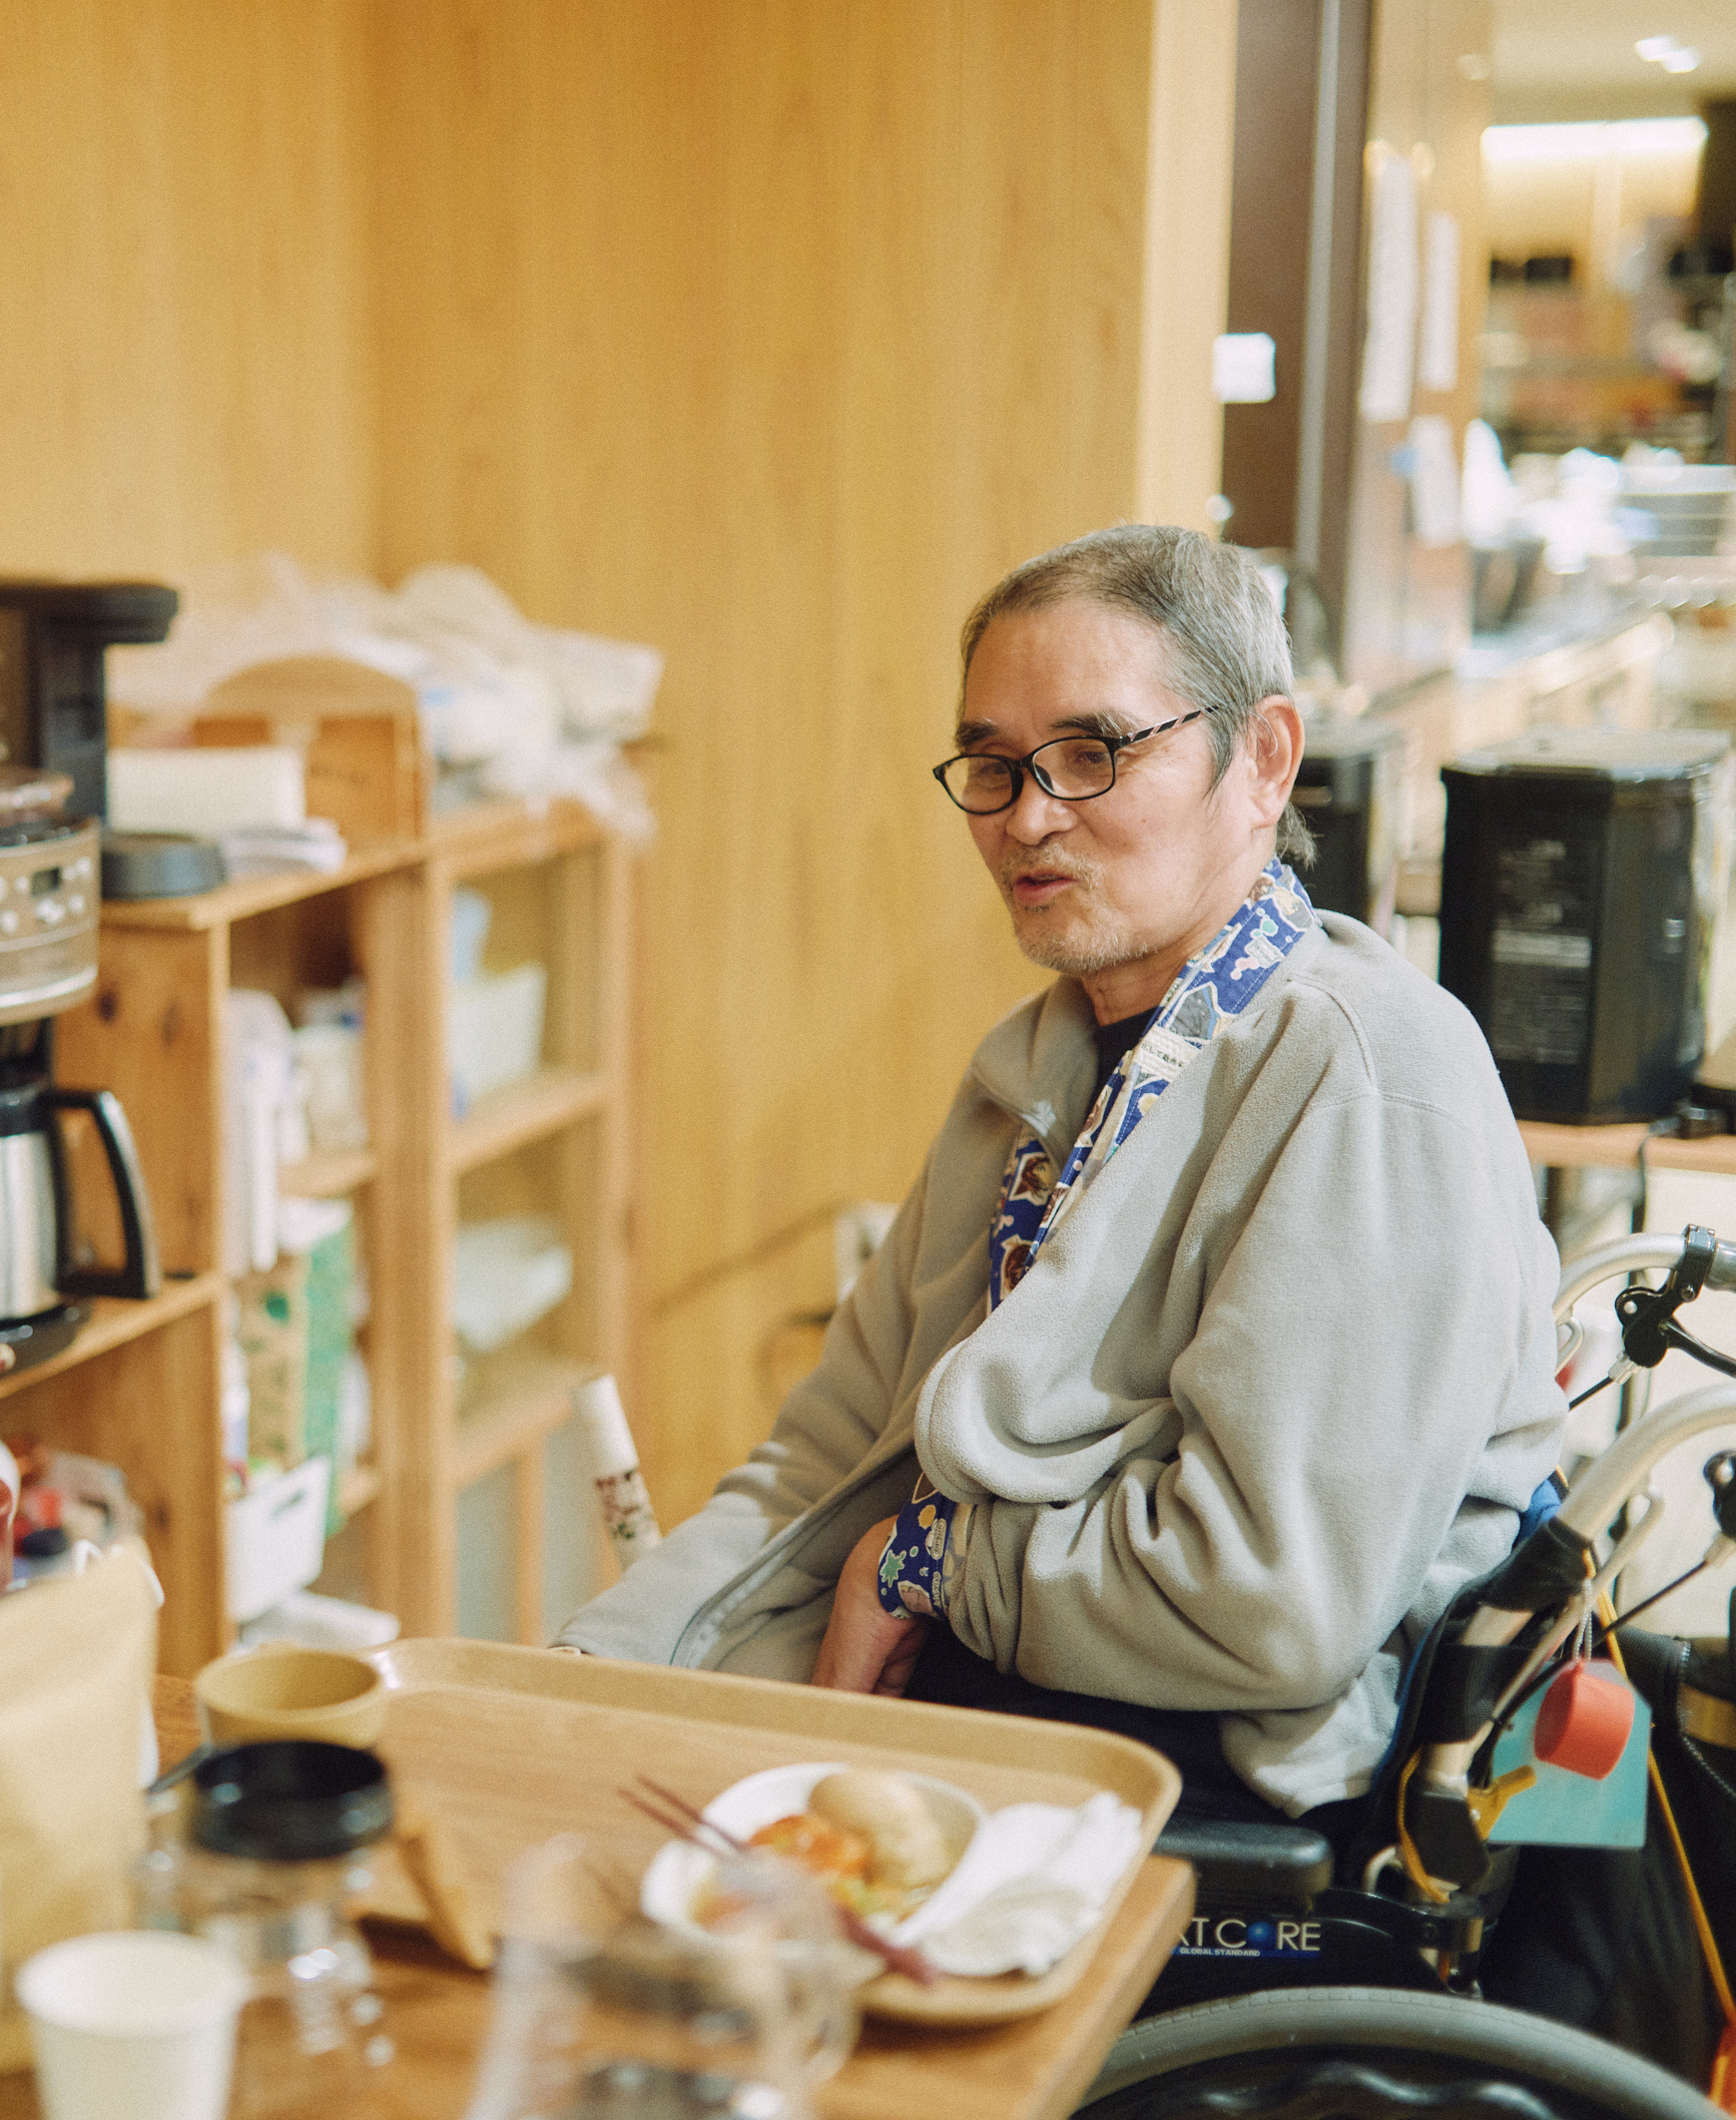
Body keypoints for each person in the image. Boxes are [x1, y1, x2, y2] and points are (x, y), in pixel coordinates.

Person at [559, 525, 1565, 1828]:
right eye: (993, 764)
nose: (1030, 814)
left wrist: (932, 1561)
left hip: (1219, 1780)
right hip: (1013, 1686)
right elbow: (832, 1457)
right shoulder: (1039, 1073)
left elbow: (1273, 1598)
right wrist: (597, 1666)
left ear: (1262, 759)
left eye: (1093, 753)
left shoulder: (1364, 1071)